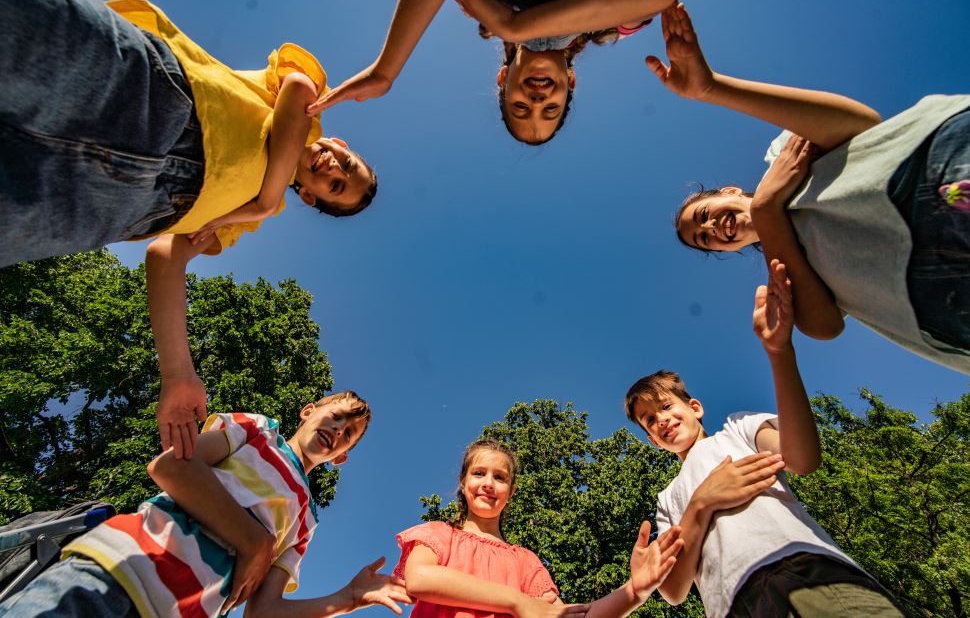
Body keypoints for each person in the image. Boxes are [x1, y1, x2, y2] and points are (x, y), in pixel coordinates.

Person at [0, 0, 379, 457]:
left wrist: (178, 372)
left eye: (336, 186)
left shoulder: (247, 220)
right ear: (339, 144)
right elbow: (297, 89)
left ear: (308, 196)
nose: (334, 169)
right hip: (155, 98)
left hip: (118, 203)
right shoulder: (312, 114)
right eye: (345, 163)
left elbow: (167, 255)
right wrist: (262, 198)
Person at [650, 2, 970, 374]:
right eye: (704, 239)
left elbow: (862, 123)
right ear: (731, 247)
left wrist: (710, 88)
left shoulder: (780, 156)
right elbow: (824, 326)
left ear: (732, 191)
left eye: (703, 216)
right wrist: (767, 212)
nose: (709, 229)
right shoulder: (782, 270)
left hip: (927, 175)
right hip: (939, 298)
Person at [623, 262, 903, 617]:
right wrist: (701, 504)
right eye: (649, 419)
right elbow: (674, 590)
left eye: (665, 405)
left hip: (805, 566)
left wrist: (779, 352)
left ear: (695, 407)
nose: (661, 419)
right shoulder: (668, 499)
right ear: (652, 440)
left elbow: (802, 460)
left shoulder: (737, 429)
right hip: (730, 604)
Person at [0, 391, 411, 617]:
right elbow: (172, 468)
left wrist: (349, 598)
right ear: (308, 412)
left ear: (342, 457)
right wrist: (255, 542)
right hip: (118, 571)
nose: (338, 430)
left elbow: (263, 612)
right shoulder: (257, 431)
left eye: (349, 433)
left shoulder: (307, 520)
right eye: (336, 416)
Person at [307, 0, 684, 144]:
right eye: (550, 110)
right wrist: (516, 26)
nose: (537, 102)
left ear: (503, 79)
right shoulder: (619, 22)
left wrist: (386, 70)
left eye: (521, 108)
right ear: (570, 84)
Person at [392, 438, 684, 618]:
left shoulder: (525, 562)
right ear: (463, 482)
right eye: (479, 473)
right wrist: (517, 602)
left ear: (512, 490)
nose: (488, 483)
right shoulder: (438, 534)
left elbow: (567, 615)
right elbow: (419, 578)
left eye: (500, 477)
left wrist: (635, 590)